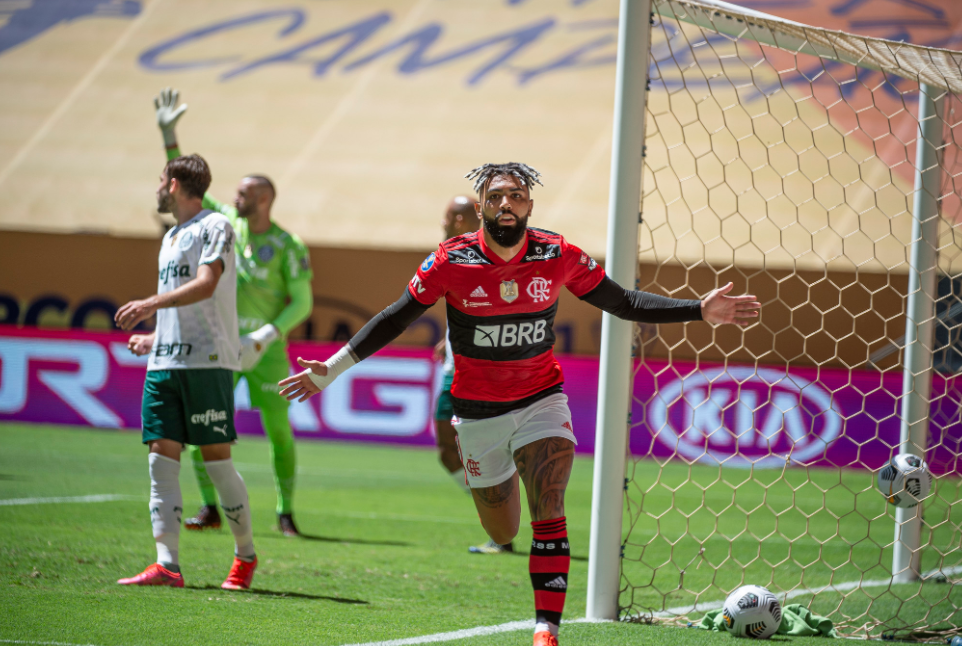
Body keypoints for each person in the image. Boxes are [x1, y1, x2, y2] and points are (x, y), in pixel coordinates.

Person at [278, 162, 760, 645]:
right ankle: (502, 475)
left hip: (540, 399)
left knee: (549, 505)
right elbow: (395, 317)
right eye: (496, 197)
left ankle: (545, 629)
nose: (506, 204)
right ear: (482, 206)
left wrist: (699, 309)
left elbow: (624, 302)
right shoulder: (450, 260)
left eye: (517, 196)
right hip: (478, 413)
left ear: (530, 205)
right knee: (503, 525)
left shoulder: (557, 253)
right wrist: (332, 368)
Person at [153, 88, 313, 537]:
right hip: (219, 345)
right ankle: (210, 508)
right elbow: (185, 186)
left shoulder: (288, 245)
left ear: (265, 199)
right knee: (207, 429)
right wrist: (170, 136)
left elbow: (303, 302)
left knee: (279, 431)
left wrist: (267, 334)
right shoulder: (224, 222)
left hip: (266, 348)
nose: (235, 197)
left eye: (245, 193)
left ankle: (285, 512)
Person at [116, 153, 258, 590]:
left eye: (161, 180)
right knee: (161, 459)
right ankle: (167, 564)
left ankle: (245, 555)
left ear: (175, 183)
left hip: (207, 362)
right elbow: (183, 307)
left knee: (217, 464)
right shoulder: (172, 235)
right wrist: (156, 336)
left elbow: (205, 285)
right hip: (166, 363)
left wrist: (147, 305)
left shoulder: (215, 225)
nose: (158, 187)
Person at [430, 197, 511, 555]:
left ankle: (502, 528)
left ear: (461, 219)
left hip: (476, 371)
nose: (443, 223)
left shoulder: (489, 255)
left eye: (447, 217)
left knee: (478, 450)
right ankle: (498, 517)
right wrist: (446, 338)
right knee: (448, 452)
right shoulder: (456, 255)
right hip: (455, 366)